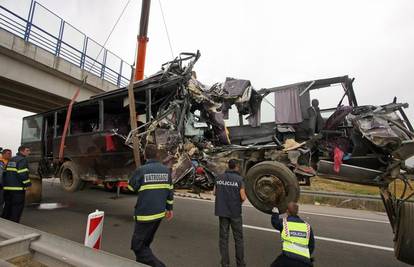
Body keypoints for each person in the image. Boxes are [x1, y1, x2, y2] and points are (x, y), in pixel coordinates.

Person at [128, 144, 174, 267]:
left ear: (145, 155)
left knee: (137, 246)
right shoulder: (166, 171)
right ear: (157, 155)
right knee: (145, 244)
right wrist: (169, 209)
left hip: (145, 216)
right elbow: (170, 192)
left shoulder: (141, 170)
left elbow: (131, 187)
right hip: (159, 215)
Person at [214, 159, 247, 267]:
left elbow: (214, 192)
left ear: (228, 166)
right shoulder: (239, 179)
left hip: (222, 212)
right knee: (238, 239)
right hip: (235, 213)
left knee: (223, 239)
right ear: (236, 167)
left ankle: (224, 263)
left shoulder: (219, 178)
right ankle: (240, 263)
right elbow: (243, 197)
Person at [270, 202, 315, 267]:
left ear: (287, 211)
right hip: (305, 262)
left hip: (287, 259)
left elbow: (275, 222)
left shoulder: (284, 223)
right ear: (297, 212)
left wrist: (275, 213)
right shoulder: (307, 226)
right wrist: (305, 257)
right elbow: (311, 246)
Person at [1, 146, 31, 223]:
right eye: (27, 150)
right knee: (16, 208)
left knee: (7, 207)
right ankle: (14, 226)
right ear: (21, 151)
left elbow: (5, 173)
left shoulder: (11, 159)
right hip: (17, 190)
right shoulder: (22, 160)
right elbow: (23, 174)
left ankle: (4, 224)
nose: (29, 152)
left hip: (7, 189)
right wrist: (28, 184)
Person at [0, 149, 12, 215]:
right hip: (1, 186)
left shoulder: (9, 161)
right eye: (8, 153)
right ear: (3, 154)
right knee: (1, 201)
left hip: (6, 185)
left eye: (10, 153)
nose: (10, 155)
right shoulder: (1, 162)